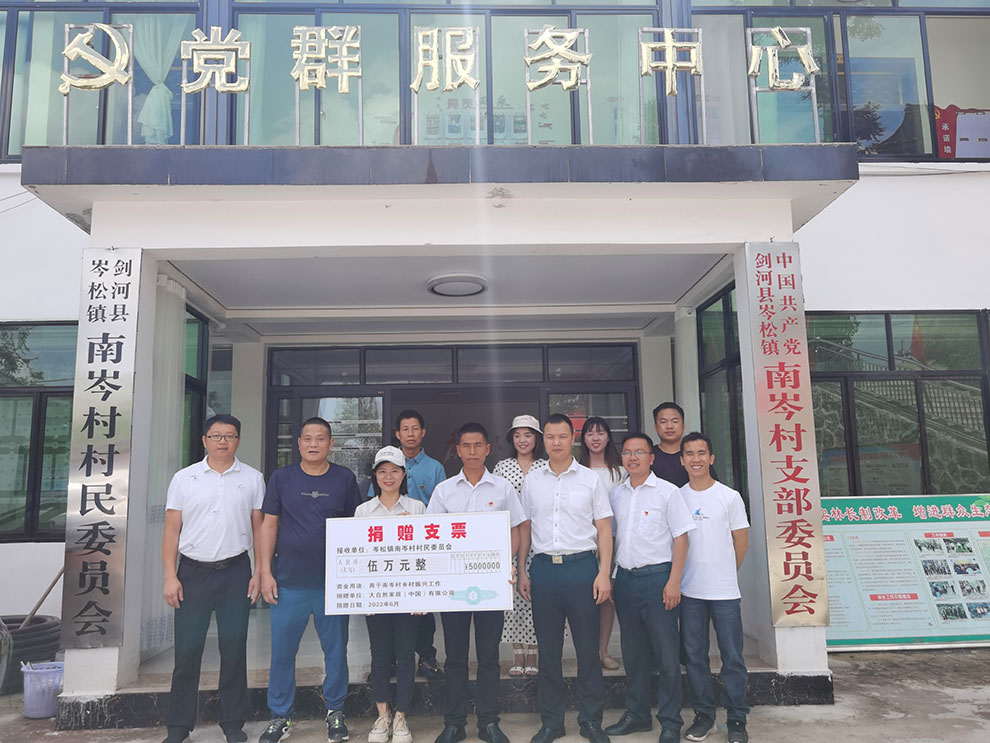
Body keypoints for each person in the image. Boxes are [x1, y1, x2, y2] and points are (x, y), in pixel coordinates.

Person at [161, 415, 266, 743]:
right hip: (192, 573)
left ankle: (233, 723)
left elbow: (260, 529)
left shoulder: (253, 478)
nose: (223, 441)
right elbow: (171, 531)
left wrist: (259, 571)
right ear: (204, 440)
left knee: (234, 648)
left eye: (229, 436)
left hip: (236, 572)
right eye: (216, 435)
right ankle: (178, 727)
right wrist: (170, 576)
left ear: (238, 440)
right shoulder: (184, 479)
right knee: (187, 651)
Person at [257, 417, 362, 743]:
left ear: (331, 443)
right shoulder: (282, 478)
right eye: (307, 438)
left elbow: (356, 527)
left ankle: (335, 711)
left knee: (336, 652)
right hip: (288, 582)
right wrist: (265, 571)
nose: (313, 444)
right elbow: (268, 525)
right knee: (282, 653)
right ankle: (280, 716)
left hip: (333, 584)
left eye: (320, 438)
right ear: (299, 443)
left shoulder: (344, 479)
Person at [428, 422, 527, 743]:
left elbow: (515, 529)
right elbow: (431, 535)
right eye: (466, 446)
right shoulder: (444, 490)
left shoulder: (502, 488)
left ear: (488, 449)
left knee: (489, 656)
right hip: (453, 587)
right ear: (458, 451)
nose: (472, 451)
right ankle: (454, 723)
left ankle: (488, 722)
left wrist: (507, 564)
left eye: (477, 445)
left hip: (491, 585)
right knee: (455, 657)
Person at [518, 414, 613, 743]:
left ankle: (591, 721)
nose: (556, 442)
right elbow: (526, 528)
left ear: (573, 438)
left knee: (587, 650)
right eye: (550, 437)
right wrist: (523, 569)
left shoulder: (590, 480)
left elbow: (604, 529)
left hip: (581, 568)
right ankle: (552, 722)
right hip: (544, 569)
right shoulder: (532, 480)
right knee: (548, 652)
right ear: (543, 439)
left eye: (562, 436)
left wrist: (604, 573)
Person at [604, 432, 695, 743]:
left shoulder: (668, 493)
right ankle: (638, 715)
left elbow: (682, 539)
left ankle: (670, 721)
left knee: (666, 655)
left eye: (639, 452)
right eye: (628, 452)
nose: (633, 458)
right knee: (633, 654)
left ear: (651, 458)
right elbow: (611, 538)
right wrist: (611, 577)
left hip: (658, 579)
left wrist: (674, 582)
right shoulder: (616, 495)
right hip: (625, 581)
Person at [678, 433, 750, 743]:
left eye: (701, 453)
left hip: (724, 593)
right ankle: (704, 715)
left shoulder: (729, 496)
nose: (695, 459)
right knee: (695, 657)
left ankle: (736, 719)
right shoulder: (677, 497)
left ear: (711, 458)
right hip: (689, 592)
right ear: (682, 460)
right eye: (689, 454)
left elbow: (741, 542)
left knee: (732, 657)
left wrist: (724, 572)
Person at [367, 410, 447, 681]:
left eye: (415, 428)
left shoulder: (435, 468)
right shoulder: (386, 464)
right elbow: (374, 504)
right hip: (386, 552)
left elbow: (440, 510)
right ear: (397, 434)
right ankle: (388, 662)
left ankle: (427, 658)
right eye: (405, 429)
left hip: (420, 550)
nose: (410, 434)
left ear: (423, 432)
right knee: (387, 607)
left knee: (422, 609)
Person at [355, 446, 426, 743]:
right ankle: (382, 716)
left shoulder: (418, 509)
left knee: (406, 656)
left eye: (394, 471)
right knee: (380, 656)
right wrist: (362, 596)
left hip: (409, 598)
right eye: (382, 471)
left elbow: (427, 555)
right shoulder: (363, 511)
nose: (388, 476)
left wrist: (423, 596)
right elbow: (356, 556)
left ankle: (401, 718)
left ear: (403, 474)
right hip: (376, 597)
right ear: (374, 476)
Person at [493, 414, 547, 678]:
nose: (522, 440)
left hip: (541, 539)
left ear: (536, 439)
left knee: (536, 596)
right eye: (517, 435)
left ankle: (533, 653)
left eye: (528, 435)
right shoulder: (502, 467)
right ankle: (517, 654)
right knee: (513, 597)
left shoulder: (546, 467)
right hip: (511, 539)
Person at [577, 417, 625, 672]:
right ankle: (586, 653)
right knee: (583, 599)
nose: (595, 438)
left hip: (614, 541)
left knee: (608, 598)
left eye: (600, 433)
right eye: (590, 433)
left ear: (608, 437)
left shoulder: (621, 472)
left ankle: (603, 651)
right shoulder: (576, 471)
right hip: (583, 543)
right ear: (582, 439)